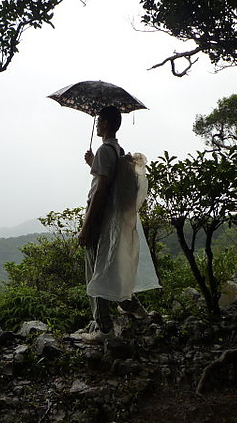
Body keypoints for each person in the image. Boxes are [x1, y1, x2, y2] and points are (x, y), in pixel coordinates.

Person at [76, 105, 160, 344]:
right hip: (114, 221)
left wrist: (86, 227)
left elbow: (101, 192)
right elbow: (111, 181)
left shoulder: (105, 150)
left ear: (107, 124)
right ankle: (132, 306)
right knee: (114, 266)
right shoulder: (118, 149)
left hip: (100, 220)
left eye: (99, 121)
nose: (97, 124)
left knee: (97, 272)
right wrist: (92, 163)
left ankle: (104, 330)